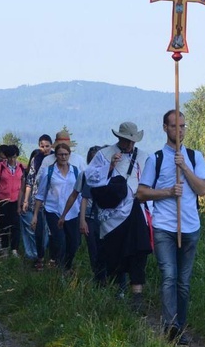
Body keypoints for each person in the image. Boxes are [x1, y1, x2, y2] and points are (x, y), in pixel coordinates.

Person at [137, 110, 205, 345]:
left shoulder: (195, 157)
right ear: (165, 128)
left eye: (183, 126)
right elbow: (141, 193)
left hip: (190, 227)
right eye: (174, 126)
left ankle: (180, 326)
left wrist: (185, 168)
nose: (179, 130)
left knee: (184, 282)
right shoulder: (155, 159)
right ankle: (170, 328)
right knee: (169, 275)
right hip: (165, 226)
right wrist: (168, 192)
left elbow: (203, 190)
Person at [85, 121, 150, 311]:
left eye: (132, 141)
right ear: (119, 138)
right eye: (126, 140)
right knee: (115, 254)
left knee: (139, 250)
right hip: (112, 217)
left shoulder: (144, 157)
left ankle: (137, 296)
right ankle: (117, 291)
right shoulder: (104, 155)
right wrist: (110, 167)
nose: (129, 145)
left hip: (137, 210)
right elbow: (89, 177)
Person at [58, 144, 108, 283]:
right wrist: (66, 216)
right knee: (94, 250)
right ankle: (100, 280)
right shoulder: (84, 175)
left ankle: (105, 278)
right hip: (90, 217)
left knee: (106, 249)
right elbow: (75, 196)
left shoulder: (111, 174)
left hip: (107, 217)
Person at [32, 142, 81, 271]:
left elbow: (80, 194)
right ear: (56, 156)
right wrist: (36, 215)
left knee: (74, 244)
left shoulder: (76, 171)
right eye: (60, 154)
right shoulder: (49, 172)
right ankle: (60, 270)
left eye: (66, 154)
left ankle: (67, 266)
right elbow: (40, 194)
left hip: (73, 212)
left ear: (69, 155)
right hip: (53, 211)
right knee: (60, 242)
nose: (63, 157)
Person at [22, 134, 54, 269]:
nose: (45, 149)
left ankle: (52, 258)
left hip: (53, 199)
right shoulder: (36, 159)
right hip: (37, 199)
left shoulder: (55, 158)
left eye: (47, 146)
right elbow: (30, 181)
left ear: (51, 146)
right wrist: (25, 200)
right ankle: (40, 257)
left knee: (52, 229)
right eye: (42, 146)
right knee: (39, 229)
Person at [0, 144, 24, 256]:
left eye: (14, 157)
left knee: (15, 225)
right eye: (10, 157)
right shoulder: (1, 166)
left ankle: (14, 249)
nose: (12, 159)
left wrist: (21, 203)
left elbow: (22, 186)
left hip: (15, 200)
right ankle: (4, 248)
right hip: (2, 199)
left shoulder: (21, 167)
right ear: (6, 157)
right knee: (3, 224)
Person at [19, 148, 42, 260]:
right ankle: (32, 254)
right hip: (27, 205)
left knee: (40, 233)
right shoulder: (26, 173)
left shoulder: (45, 172)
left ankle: (37, 253)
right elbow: (22, 189)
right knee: (30, 230)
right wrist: (22, 202)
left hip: (40, 206)